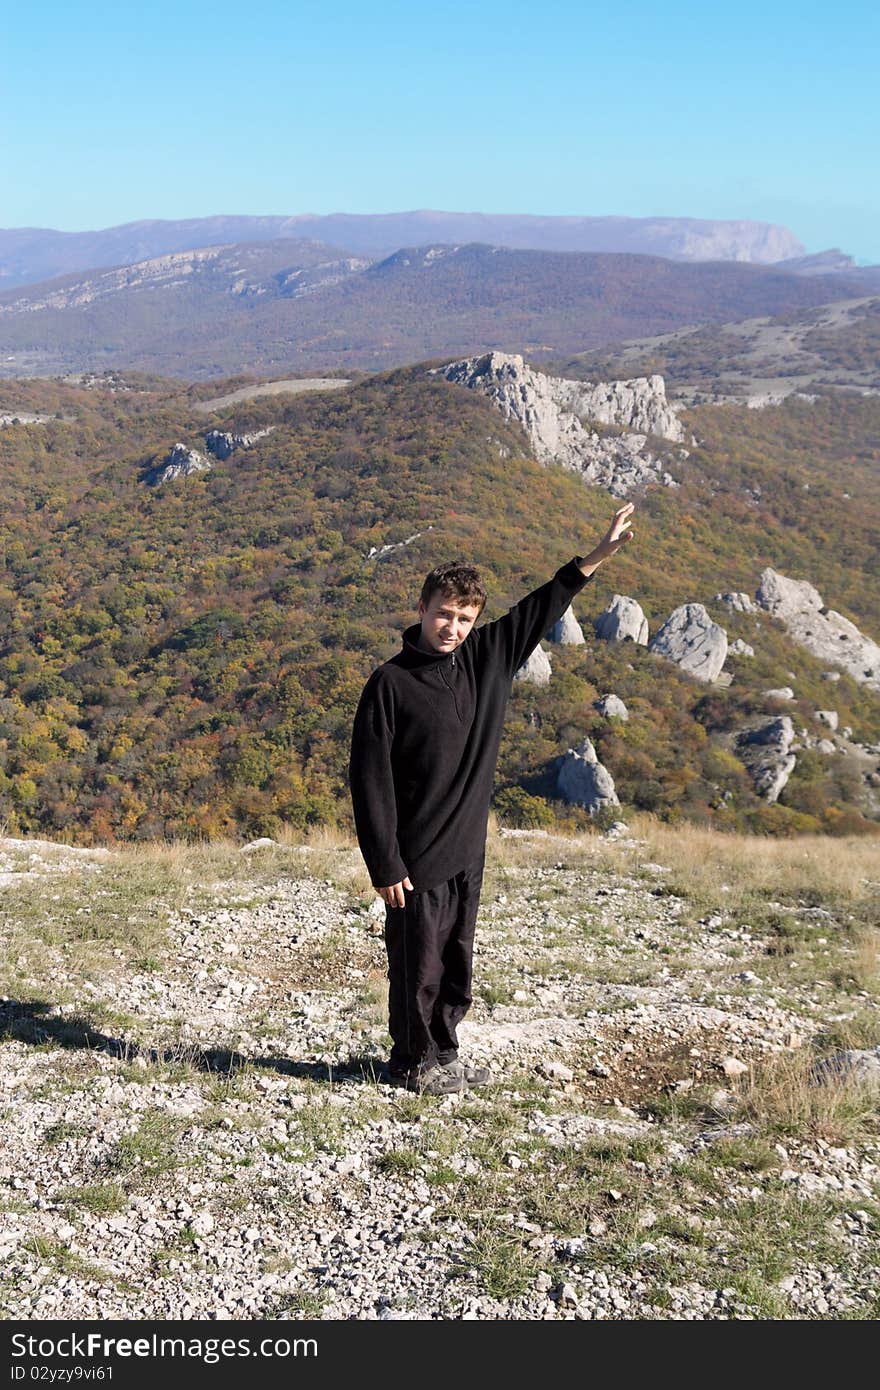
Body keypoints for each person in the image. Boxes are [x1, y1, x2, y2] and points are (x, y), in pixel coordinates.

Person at [349, 503, 634, 1094]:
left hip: (466, 851)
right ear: (421, 610)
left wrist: (598, 555)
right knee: (416, 967)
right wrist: (385, 861)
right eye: (443, 614)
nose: (452, 627)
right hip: (414, 857)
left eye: (464, 617)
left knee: (455, 964)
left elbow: (543, 604)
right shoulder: (390, 683)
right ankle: (411, 1063)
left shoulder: (486, 658)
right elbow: (368, 777)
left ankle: (445, 1054)